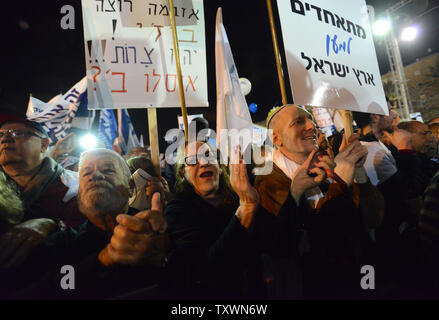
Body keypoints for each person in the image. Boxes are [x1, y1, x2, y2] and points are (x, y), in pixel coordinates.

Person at [2, 148, 171, 299]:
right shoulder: (57, 246)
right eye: (86, 173)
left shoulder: (163, 228)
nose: (96, 175)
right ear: (79, 192)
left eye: (108, 170)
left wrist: (165, 256)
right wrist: (103, 259)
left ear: (131, 187)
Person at [253, 104, 383, 299]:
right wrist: (339, 182)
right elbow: (308, 242)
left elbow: (372, 218)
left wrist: (357, 171)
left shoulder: (329, 163)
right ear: (276, 139)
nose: (311, 126)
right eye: (298, 122)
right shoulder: (270, 180)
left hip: (357, 278)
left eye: (311, 120)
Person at [164, 141, 260, 299]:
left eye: (208, 156)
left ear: (220, 168)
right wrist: (247, 208)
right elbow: (206, 269)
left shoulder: (240, 197)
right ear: (182, 174)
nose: (203, 163)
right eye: (192, 161)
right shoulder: (177, 211)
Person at [0, 113, 83, 227]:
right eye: (1, 135)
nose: (5, 139)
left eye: (17, 133)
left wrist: (54, 227)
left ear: (44, 145)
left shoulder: (77, 186)